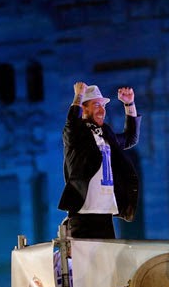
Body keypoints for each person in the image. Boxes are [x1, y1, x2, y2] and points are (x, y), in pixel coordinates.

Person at [58, 82, 141, 239]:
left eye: (103, 105)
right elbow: (71, 123)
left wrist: (129, 104)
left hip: (105, 212)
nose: (102, 109)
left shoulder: (106, 133)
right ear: (84, 108)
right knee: (84, 262)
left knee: (106, 262)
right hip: (83, 213)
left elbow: (131, 138)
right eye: (96, 104)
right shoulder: (76, 134)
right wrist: (78, 96)